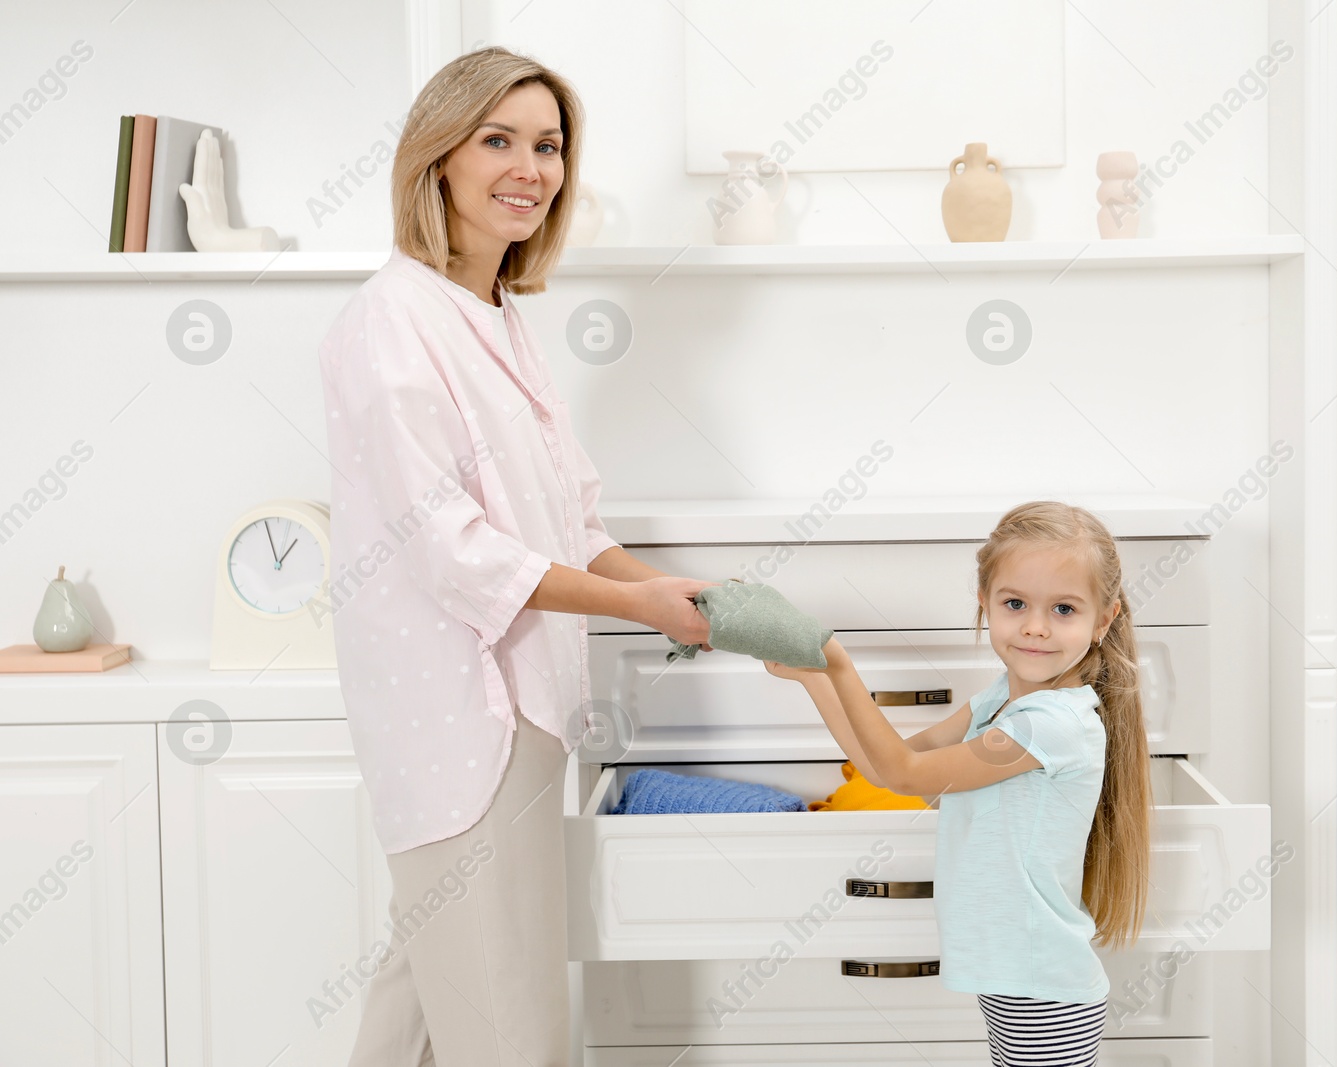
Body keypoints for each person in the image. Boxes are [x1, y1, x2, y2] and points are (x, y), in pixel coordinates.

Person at [317, 47, 715, 1066]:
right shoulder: (391, 322)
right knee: (508, 1023)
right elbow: (454, 552)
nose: (529, 166)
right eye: (498, 139)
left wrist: (670, 589)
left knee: (419, 1002)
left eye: (547, 144)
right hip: (461, 719)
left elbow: (568, 517)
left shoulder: (495, 315)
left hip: (521, 706)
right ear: (438, 157)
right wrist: (644, 608)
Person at [765, 500, 1152, 1067]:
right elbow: (887, 767)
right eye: (1015, 603)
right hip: (1015, 976)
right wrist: (815, 678)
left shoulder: (1051, 726)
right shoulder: (1001, 700)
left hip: (1040, 984)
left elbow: (906, 772)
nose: (1035, 626)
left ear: (1104, 619)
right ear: (984, 603)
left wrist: (839, 666)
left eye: (1063, 609)